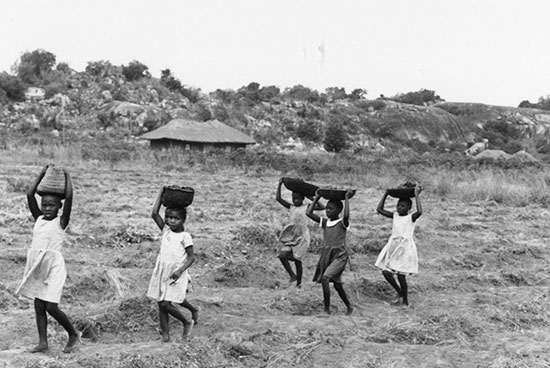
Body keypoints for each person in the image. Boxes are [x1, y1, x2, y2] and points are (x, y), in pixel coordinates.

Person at [16, 165, 80, 353]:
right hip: (38, 266)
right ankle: (43, 342)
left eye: (51, 205)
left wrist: (68, 175)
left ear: (59, 208)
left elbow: (69, 197)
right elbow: (29, 194)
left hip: (53, 267)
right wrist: (42, 174)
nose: (46, 208)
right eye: (44, 205)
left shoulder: (60, 223)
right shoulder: (39, 219)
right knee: (38, 305)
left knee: (51, 306)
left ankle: (73, 333)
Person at [147, 188, 197, 342]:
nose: (171, 221)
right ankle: (165, 336)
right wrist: (161, 195)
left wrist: (180, 271)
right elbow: (154, 214)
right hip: (162, 271)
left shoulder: (185, 237)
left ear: (183, 220)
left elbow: (191, 258)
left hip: (176, 273)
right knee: (161, 304)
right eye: (168, 217)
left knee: (167, 304)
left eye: (175, 218)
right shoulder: (166, 231)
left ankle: (186, 321)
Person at [306, 190, 354, 315]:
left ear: (339, 211)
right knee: (337, 284)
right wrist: (316, 197)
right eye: (327, 208)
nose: (327, 211)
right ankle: (349, 306)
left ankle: (326, 310)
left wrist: (347, 199)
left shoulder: (343, 223)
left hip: (339, 256)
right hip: (327, 256)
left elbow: (347, 216)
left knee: (325, 278)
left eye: (331, 209)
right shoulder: (326, 222)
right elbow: (308, 213)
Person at [375, 185, 422, 306]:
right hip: (393, 246)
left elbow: (420, 211)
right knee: (386, 272)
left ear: (409, 208)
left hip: (405, 248)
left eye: (402, 206)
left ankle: (405, 301)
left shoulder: (411, 217)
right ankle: (399, 292)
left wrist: (416, 195)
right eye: (398, 205)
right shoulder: (395, 216)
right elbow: (379, 209)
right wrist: (385, 194)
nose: (399, 207)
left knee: (401, 276)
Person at [276, 178, 324, 288]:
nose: (295, 201)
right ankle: (292, 275)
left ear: (302, 199)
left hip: (302, 236)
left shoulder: (306, 207)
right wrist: (279, 184)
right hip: (290, 234)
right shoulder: (291, 207)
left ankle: (299, 283)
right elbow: (278, 198)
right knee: (282, 255)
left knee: (298, 260)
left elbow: (322, 207)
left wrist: (311, 197)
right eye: (293, 198)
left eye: (298, 199)